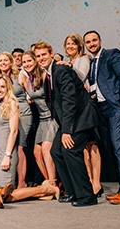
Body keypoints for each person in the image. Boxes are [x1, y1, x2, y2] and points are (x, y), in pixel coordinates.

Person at [34, 42, 99, 207]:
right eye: (38, 56)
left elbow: (70, 101)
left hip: (81, 117)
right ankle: (72, 192)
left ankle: (86, 195)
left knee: (70, 149)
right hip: (69, 120)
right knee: (56, 151)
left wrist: (67, 131)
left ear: (51, 54)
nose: (41, 58)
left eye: (44, 55)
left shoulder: (60, 70)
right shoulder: (50, 72)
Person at [84, 30, 120, 204]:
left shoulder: (112, 54)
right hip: (101, 110)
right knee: (113, 150)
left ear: (100, 40)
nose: (91, 44)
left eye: (93, 40)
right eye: (88, 42)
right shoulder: (91, 63)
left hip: (116, 107)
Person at [63, 33, 102, 196]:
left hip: (86, 107)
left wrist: (69, 67)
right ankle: (87, 180)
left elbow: (81, 77)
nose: (70, 46)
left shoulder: (83, 59)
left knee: (92, 145)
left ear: (79, 46)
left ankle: (96, 183)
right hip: (75, 109)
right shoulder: (67, 62)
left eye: (73, 43)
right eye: (67, 44)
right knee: (82, 149)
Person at [0, 52, 32, 188]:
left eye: (5, 60)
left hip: (22, 113)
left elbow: (31, 93)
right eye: (0, 60)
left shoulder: (19, 75)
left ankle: (21, 182)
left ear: (11, 61)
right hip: (4, 111)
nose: (3, 63)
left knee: (19, 147)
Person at [22, 51, 58, 187]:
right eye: (24, 62)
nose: (27, 64)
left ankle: (53, 184)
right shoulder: (27, 79)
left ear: (35, 61)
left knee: (45, 150)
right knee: (36, 152)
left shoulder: (44, 75)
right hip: (42, 119)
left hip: (52, 117)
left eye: (29, 61)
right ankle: (49, 180)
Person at [0, 74, 20, 188]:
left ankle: (45, 189)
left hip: (6, 153)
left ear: (8, 88)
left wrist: (7, 155)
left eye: (2, 87)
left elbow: (14, 131)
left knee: (5, 193)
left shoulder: (11, 103)